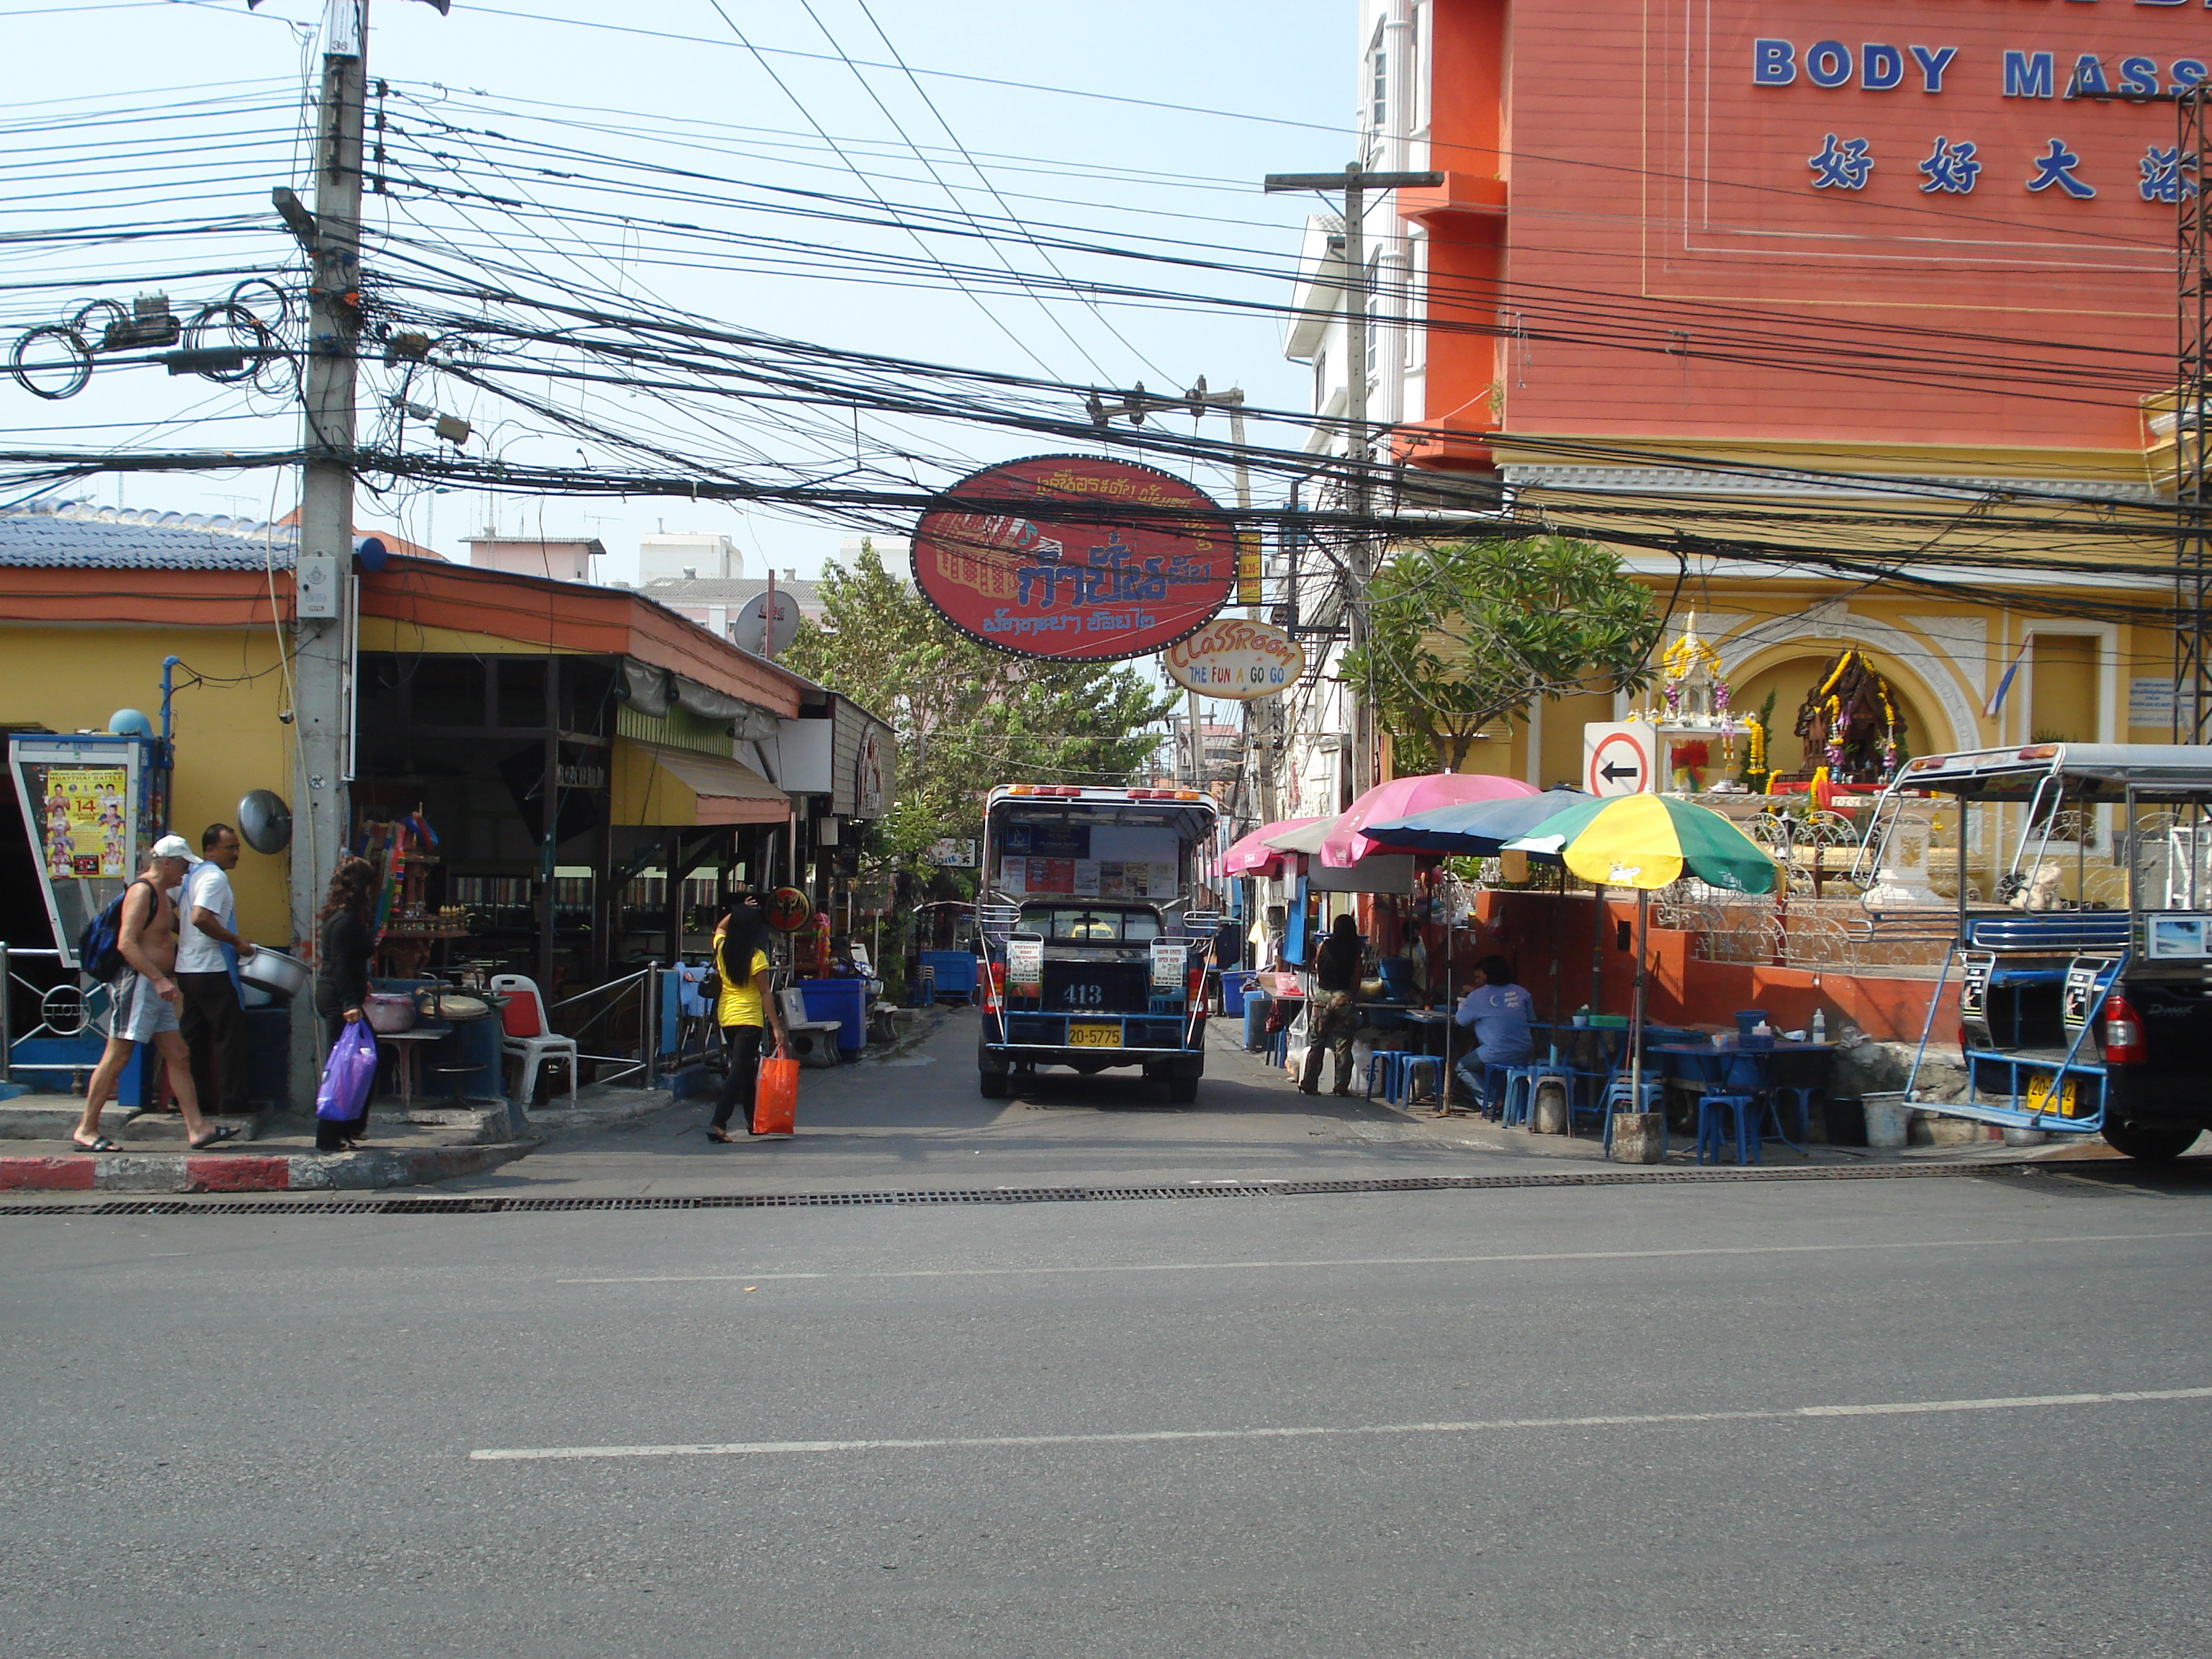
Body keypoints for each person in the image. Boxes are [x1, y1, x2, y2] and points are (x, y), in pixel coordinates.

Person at [73, 837, 236, 1152]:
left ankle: (198, 1129)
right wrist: (159, 979)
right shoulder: (142, 892)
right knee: (118, 1054)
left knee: (178, 1054)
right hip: (139, 982)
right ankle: (87, 1128)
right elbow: (126, 943)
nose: (186, 872)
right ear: (165, 863)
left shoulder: (163, 894)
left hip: (156, 986)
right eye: (182, 865)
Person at [175, 822, 258, 1118]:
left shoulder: (192, 876)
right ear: (210, 850)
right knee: (228, 1038)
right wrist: (235, 941)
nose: (236, 853)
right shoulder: (214, 878)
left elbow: (186, 919)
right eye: (229, 848)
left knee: (194, 1039)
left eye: (237, 847)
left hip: (187, 968)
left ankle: (196, 1102)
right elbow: (199, 918)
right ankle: (232, 1105)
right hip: (210, 969)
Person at [707, 897, 788, 1143]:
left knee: (748, 1069)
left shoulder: (722, 949)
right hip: (750, 1019)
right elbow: (765, 993)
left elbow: (720, 928)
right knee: (740, 1070)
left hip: (727, 1016)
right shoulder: (756, 957)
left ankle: (755, 1122)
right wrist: (776, 1027)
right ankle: (719, 1122)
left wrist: (739, 911)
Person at [313, 855, 379, 1153]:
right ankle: (329, 1135)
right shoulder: (343, 921)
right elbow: (338, 964)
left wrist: (359, 983)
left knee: (360, 1061)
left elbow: (350, 960)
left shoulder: (343, 917)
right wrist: (349, 1002)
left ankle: (350, 1125)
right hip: (338, 1000)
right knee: (342, 1067)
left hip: (345, 995)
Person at [1452, 956, 1536, 1111]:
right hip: (1524, 1051)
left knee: (1462, 1066)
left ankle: (1491, 1100)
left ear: (1486, 975)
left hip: (1495, 1052)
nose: (1478, 979)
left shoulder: (1477, 996)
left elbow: (1459, 1022)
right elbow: (1531, 1019)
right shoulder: (1522, 992)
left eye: (1480, 975)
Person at [1299, 913, 1365, 1096]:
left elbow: (1316, 968)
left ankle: (1309, 1083)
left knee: (1317, 1043)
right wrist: (1349, 995)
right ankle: (1340, 1087)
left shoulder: (1323, 946)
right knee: (1343, 1045)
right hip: (1342, 998)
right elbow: (1357, 982)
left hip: (1322, 997)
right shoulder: (1354, 952)